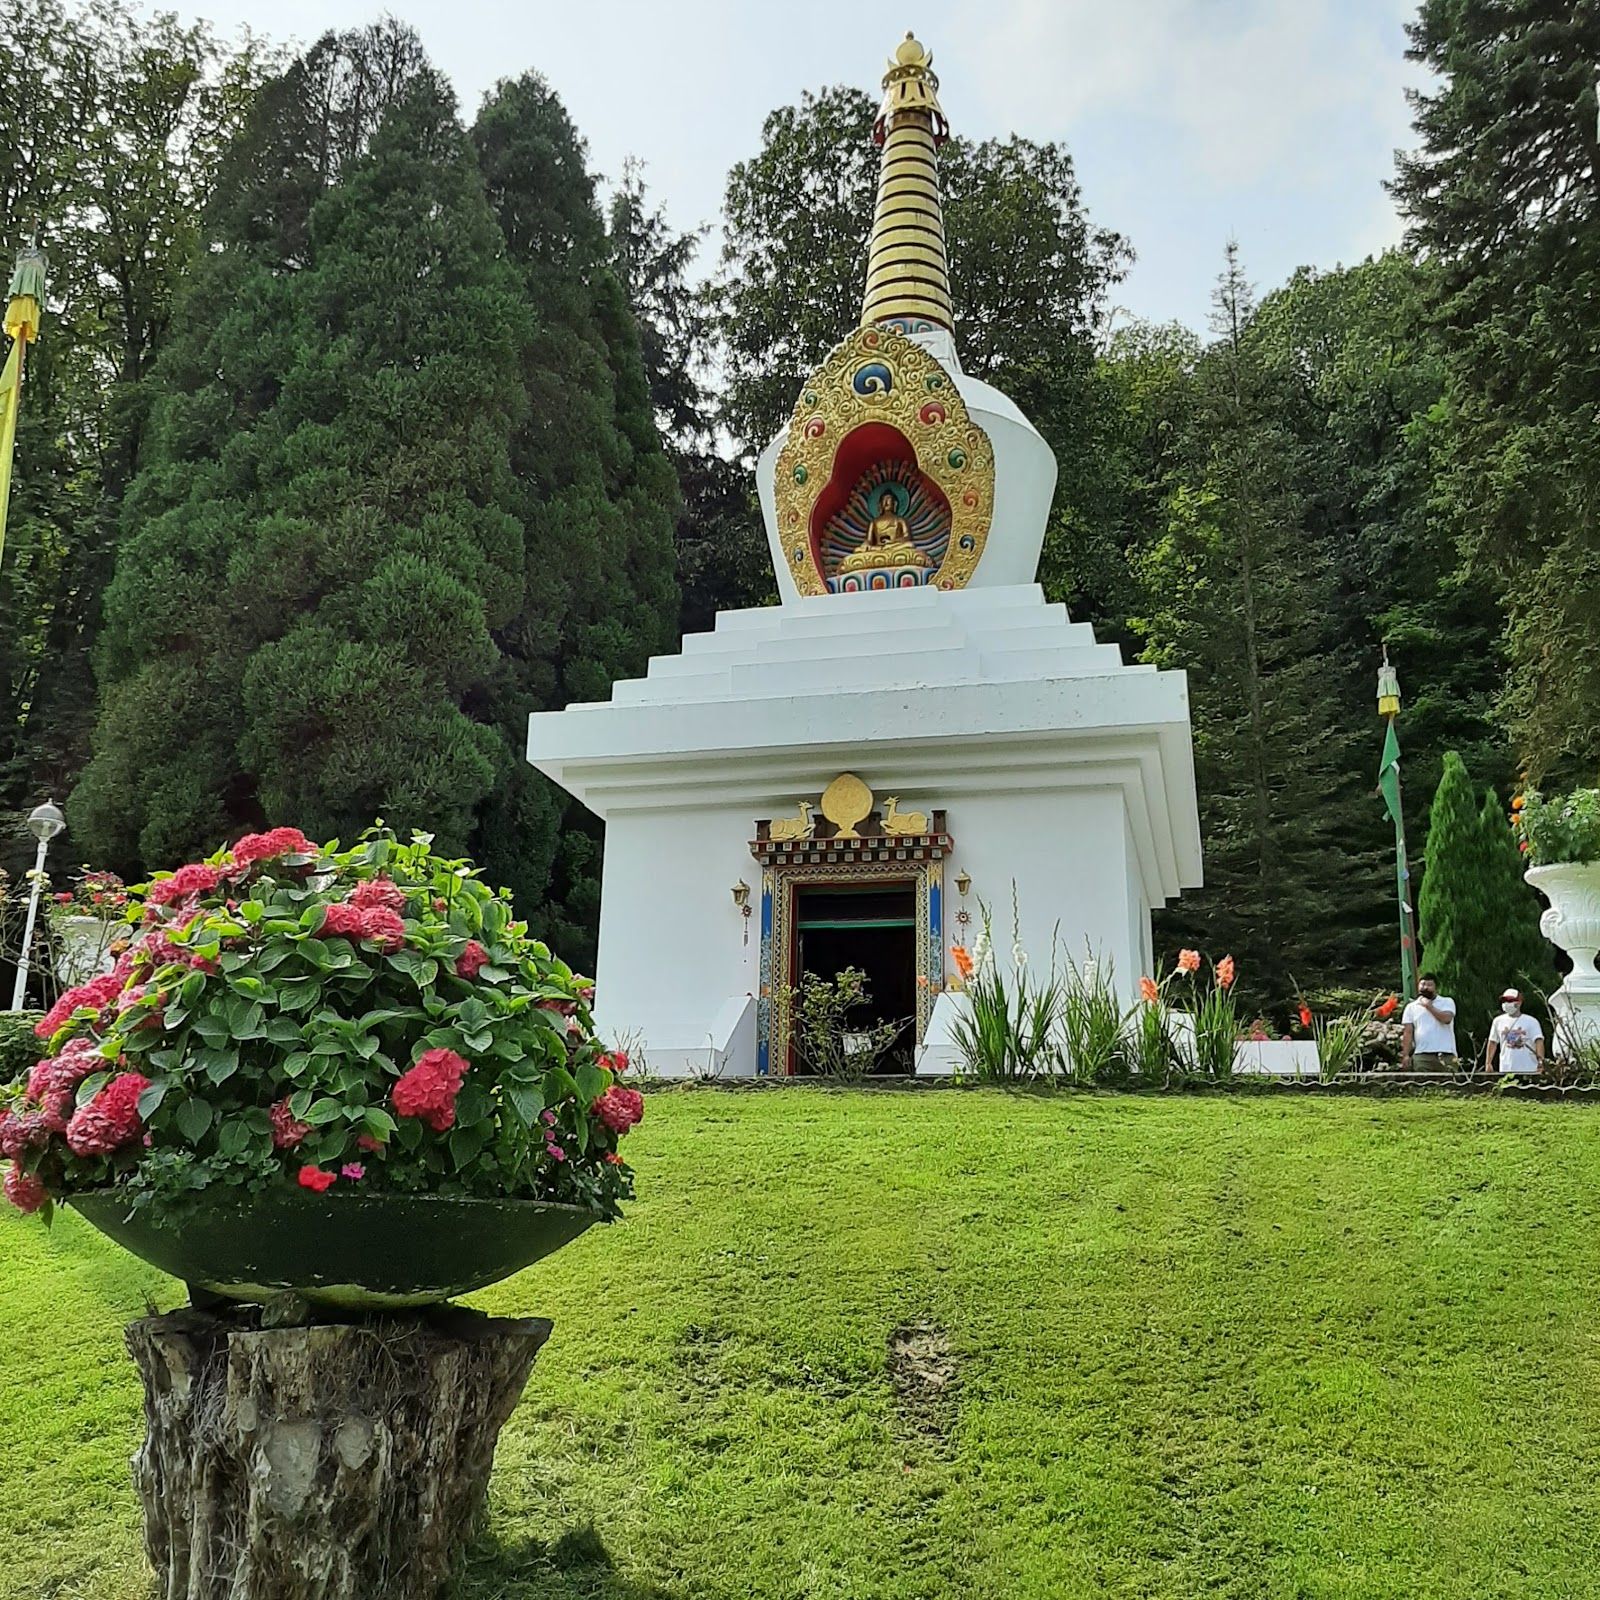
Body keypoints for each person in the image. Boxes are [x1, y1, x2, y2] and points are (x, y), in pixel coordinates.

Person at [1400, 975, 1457, 1072]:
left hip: (1446, 1054)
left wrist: (1429, 1007)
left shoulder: (1447, 1002)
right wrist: (1405, 1055)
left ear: (1436, 987)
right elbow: (1408, 1032)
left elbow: (1447, 1019)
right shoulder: (1411, 1007)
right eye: (1422, 984)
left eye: (1429, 985)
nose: (1425, 987)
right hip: (1422, 1055)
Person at [1485, 988, 1544, 1077]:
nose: (1507, 1003)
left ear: (1519, 1002)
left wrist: (1541, 1063)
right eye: (1504, 1001)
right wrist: (1488, 1063)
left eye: (1510, 1000)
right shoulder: (1498, 1021)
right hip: (1506, 1068)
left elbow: (1538, 1042)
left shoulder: (1532, 1021)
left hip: (1528, 1069)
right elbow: (1492, 1042)